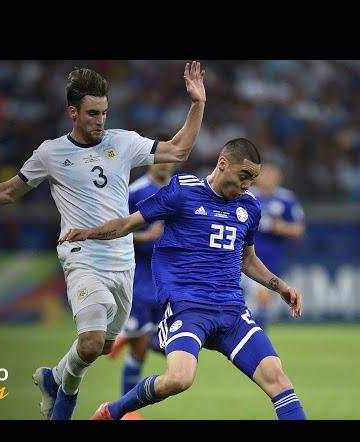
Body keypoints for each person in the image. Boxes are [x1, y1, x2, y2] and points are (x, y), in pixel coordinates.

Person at [0, 61, 206, 420]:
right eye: (93, 113)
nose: (100, 120)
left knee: (103, 346)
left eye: (104, 113)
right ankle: (65, 401)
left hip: (122, 260)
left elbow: (178, 151)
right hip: (81, 256)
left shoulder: (123, 142)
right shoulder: (50, 153)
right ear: (73, 112)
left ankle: (55, 379)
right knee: (93, 341)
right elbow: (7, 192)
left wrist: (197, 104)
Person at [60, 138, 307, 420]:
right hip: (187, 308)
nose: (248, 185)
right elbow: (129, 222)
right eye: (244, 176)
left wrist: (281, 287)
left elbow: (246, 259)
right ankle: (112, 412)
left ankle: (129, 359)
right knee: (179, 378)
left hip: (232, 311)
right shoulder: (182, 192)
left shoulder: (249, 207)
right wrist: (89, 232)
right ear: (223, 164)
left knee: (279, 380)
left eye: (252, 179)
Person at [109, 161, 177, 420]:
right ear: (151, 162)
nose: (164, 166)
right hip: (141, 277)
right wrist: (145, 237)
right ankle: (127, 412)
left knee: (156, 343)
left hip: (169, 276)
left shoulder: (178, 190)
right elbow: (114, 230)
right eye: (160, 160)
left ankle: (127, 335)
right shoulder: (135, 191)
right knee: (145, 347)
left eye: (169, 161)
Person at [246, 163, 305, 330]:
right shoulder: (247, 196)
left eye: (273, 175)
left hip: (273, 260)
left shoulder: (286, 199)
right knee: (261, 297)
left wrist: (279, 227)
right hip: (247, 259)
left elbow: (298, 229)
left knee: (261, 307)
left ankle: (254, 337)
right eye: (266, 175)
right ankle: (254, 339)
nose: (269, 179)